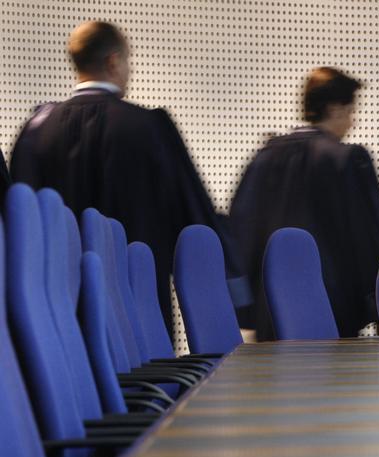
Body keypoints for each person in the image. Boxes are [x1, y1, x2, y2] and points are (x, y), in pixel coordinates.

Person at [11, 20, 245, 333]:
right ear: (113, 61)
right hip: (135, 301)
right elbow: (191, 212)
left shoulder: (37, 130)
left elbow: (19, 216)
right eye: (128, 60)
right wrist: (235, 290)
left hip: (57, 305)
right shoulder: (149, 128)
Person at [230, 67, 379, 340]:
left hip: (271, 313)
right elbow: (370, 238)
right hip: (333, 313)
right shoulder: (348, 160)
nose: (352, 122)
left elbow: (240, 229)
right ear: (335, 109)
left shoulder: (265, 157)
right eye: (351, 111)